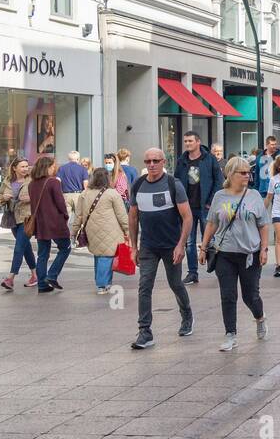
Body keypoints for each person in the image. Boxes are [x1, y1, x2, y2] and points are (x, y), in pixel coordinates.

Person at [201, 157, 270, 352]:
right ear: (230, 174)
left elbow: (263, 225)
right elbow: (212, 223)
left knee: (250, 296)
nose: (247, 176)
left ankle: (260, 317)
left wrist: (264, 249)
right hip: (225, 254)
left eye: (249, 172)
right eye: (243, 173)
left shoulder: (254, 195)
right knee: (228, 295)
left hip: (250, 254)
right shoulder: (219, 196)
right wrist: (204, 247)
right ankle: (230, 335)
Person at [128, 147, 193, 350]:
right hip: (148, 246)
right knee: (144, 286)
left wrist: (181, 245)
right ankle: (145, 331)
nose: (151, 165)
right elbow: (133, 217)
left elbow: (187, 217)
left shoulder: (174, 184)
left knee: (175, 283)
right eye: (148, 161)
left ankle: (187, 315)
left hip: (171, 245)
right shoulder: (138, 184)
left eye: (156, 161)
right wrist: (133, 247)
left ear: (164, 162)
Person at [174, 130, 224, 285]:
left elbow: (218, 180)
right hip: (187, 208)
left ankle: (218, 270)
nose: (187, 144)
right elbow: (176, 181)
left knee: (209, 239)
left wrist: (211, 201)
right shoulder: (182, 160)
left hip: (205, 206)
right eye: (186, 141)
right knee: (188, 242)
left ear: (197, 142)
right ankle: (192, 273)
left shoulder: (209, 159)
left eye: (190, 141)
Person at [74, 167, 130, 295]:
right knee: (106, 256)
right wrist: (128, 230)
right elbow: (122, 215)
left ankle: (104, 282)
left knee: (99, 255)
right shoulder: (112, 194)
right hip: (110, 230)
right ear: (107, 178)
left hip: (91, 230)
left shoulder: (84, 194)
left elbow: (78, 215)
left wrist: (74, 231)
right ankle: (102, 284)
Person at [27, 155, 71, 293]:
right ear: (48, 167)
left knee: (43, 254)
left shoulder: (31, 184)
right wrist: (65, 215)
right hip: (55, 222)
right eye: (53, 166)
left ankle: (41, 284)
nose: (55, 168)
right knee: (65, 248)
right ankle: (52, 275)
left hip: (40, 224)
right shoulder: (53, 182)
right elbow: (60, 203)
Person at [0, 157, 38, 291]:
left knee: (18, 247)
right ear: (14, 168)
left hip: (27, 218)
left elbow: (41, 196)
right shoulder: (7, 181)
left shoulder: (32, 181)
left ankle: (10, 278)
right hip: (12, 218)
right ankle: (35, 275)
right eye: (22, 166)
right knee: (25, 248)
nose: (26, 169)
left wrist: (31, 198)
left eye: (27, 166)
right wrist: (4, 198)